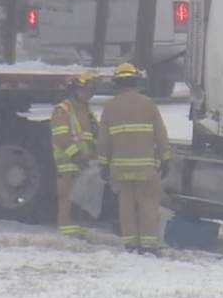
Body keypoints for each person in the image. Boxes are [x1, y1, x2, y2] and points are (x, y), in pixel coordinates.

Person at [97, 62, 172, 253]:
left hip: (120, 169)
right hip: (145, 168)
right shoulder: (148, 104)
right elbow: (160, 134)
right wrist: (166, 158)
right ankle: (148, 244)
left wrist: (103, 165)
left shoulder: (110, 107)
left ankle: (130, 243)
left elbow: (104, 140)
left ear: (117, 84)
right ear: (135, 81)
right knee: (147, 205)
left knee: (126, 207)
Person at [50, 72, 99, 237]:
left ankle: (76, 226)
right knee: (66, 195)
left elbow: (91, 134)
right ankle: (65, 227)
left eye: (90, 90)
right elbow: (61, 137)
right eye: (84, 90)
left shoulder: (86, 110)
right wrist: (76, 155)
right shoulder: (63, 110)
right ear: (74, 90)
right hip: (68, 161)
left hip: (84, 161)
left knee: (80, 196)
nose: (88, 94)